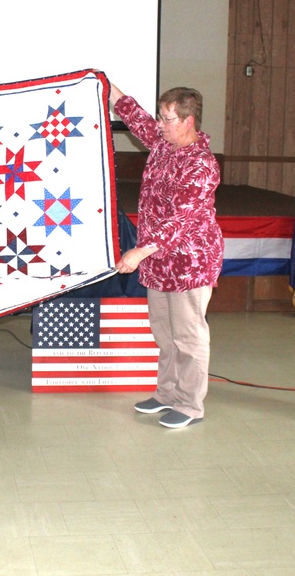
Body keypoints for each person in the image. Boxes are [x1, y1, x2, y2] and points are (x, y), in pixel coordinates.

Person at [110, 83, 224, 429]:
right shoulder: (162, 144)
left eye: (168, 118)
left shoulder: (202, 165)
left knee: (188, 336)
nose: (160, 124)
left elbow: (181, 220)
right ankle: (167, 393)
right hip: (159, 262)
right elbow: (133, 115)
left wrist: (139, 251)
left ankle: (190, 405)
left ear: (188, 121)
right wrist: (104, 82)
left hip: (189, 262)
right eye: (161, 117)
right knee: (164, 332)